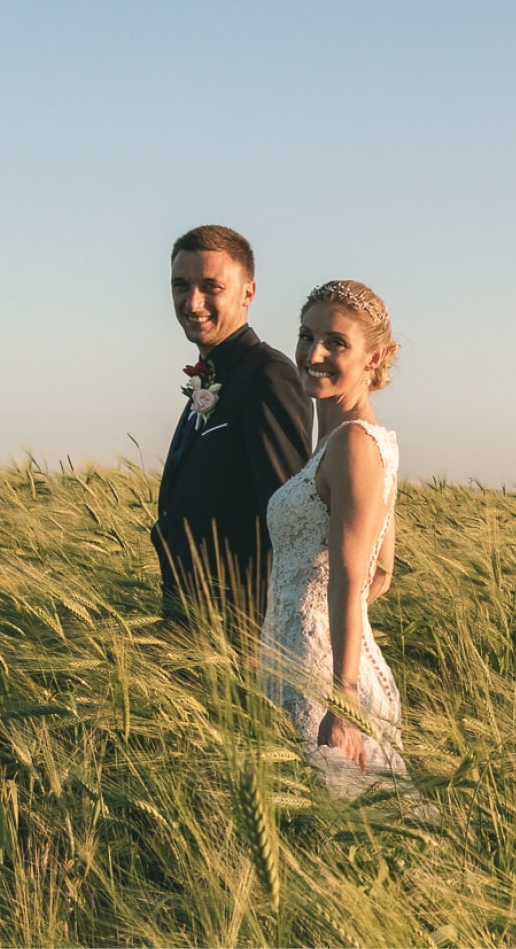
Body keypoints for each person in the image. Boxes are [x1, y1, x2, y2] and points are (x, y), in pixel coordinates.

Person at [259, 280, 409, 794]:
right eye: (306, 336)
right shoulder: (367, 442)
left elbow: (351, 576)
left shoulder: (351, 446)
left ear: (375, 358)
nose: (312, 353)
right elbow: (382, 571)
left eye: (336, 343)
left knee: (340, 831)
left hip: (324, 681)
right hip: (306, 659)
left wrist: (342, 700)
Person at [152, 226, 314, 638]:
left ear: (248, 292)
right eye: (181, 286)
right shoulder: (213, 377)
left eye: (211, 287)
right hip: (189, 625)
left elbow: (287, 514)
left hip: (237, 631)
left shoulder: (267, 375)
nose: (193, 302)